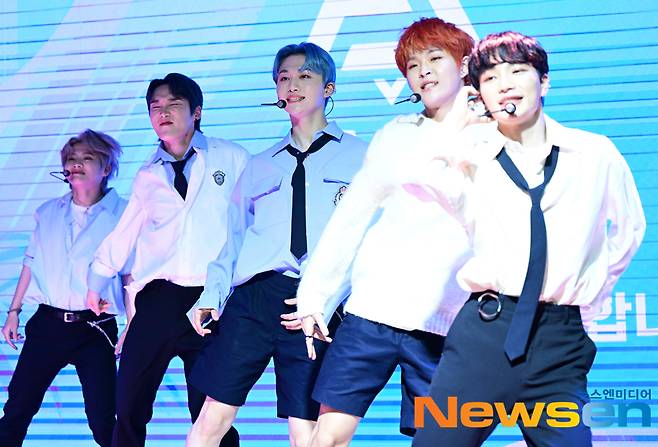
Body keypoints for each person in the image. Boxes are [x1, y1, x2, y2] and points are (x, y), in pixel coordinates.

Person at [413, 31, 646, 446]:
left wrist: (585, 306)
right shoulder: (470, 156)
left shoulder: (594, 153)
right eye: (490, 79)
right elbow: (415, 182)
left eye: (518, 71)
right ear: (479, 94)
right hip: (485, 332)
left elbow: (628, 233)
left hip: (559, 340)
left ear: (544, 81)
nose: (504, 84)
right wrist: (459, 125)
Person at [290, 18, 476, 446]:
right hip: (372, 312)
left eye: (435, 58)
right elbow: (350, 217)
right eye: (413, 65)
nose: (424, 71)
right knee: (328, 436)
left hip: (443, 321)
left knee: (438, 440)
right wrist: (315, 296)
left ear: (464, 64)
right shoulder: (396, 134)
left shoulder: (491, 137)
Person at [185, 42, 368, 447]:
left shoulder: (362, 157)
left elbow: (371, 239)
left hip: (317, 299)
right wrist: (212, 295)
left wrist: (336, 298)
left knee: (306, 428)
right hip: (254, 297)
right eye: (284, 78)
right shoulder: (260, 163)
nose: (292, 85)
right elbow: (234, 239)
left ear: (329, 88)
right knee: (211, 417)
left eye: (305, 76)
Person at [86, 73, 248, 447]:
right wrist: (97, 281)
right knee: (129, 404)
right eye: (155, 107)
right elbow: (126, 231)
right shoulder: (148, 173)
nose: (163, 113)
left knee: (209, 412)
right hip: (158, 299)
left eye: (173, 104)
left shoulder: (232, 157)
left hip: (210, 300)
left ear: (196, 112)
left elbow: (250, 222)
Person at [0, 130, 128, 447]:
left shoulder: (125, 214)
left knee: (103, 419)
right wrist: (14, 311)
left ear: (106, 167)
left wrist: (132, 324)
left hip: (95, 327)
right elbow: (31, 261)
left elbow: (131, 276)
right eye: (71, 159)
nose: (76, 165)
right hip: (48, 323)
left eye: (87, 158)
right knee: (17, 409)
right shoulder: (48, 212)